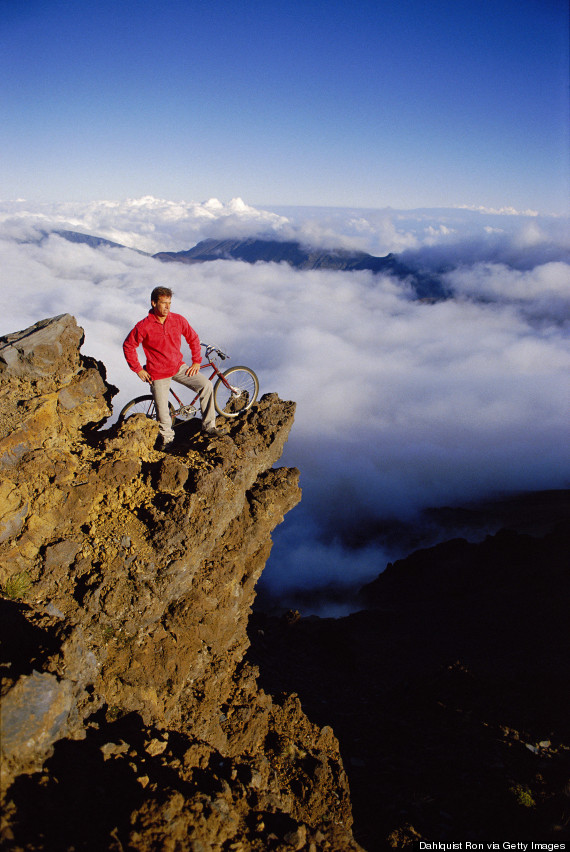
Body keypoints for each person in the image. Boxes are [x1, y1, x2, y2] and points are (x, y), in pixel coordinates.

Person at [123, 286, 222, 445]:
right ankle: (167, 440)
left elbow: (193, 338)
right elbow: (128, 346)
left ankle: (209, 426)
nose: (167, 307)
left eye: (169, 303)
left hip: (178, 367)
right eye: (163, 303)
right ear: (154, 303)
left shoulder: (178, 320)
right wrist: (138, 370)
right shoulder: (144, 326)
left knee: (206, 385)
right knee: (163, 412)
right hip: (157, 373)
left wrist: (196, 361)